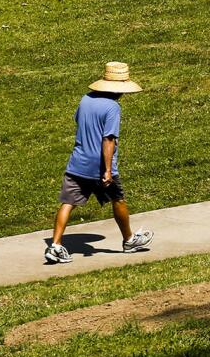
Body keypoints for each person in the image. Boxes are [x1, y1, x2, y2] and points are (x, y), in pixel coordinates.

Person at [44, 62, 153, 264]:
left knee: (68, 203)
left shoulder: (85, 99)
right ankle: (129, 241)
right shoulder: (112, 107)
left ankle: (56, 245)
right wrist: (108, 170)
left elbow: (78, 120)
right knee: (118, 200)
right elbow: (108, 139)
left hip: (78, 162)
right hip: (100, 166)